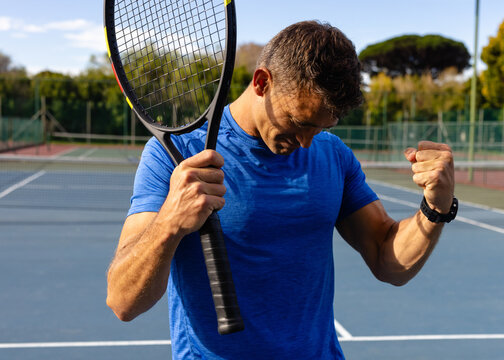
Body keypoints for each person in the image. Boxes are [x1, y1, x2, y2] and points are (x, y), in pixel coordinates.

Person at [106, 21, 456, 359]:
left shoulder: (333, 156)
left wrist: (435, 207)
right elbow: (123, 302)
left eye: (319, 129)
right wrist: (170, 221)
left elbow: (387, 260)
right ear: (262, 82)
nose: (306, 143)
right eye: (300, 123)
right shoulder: (177, 156)